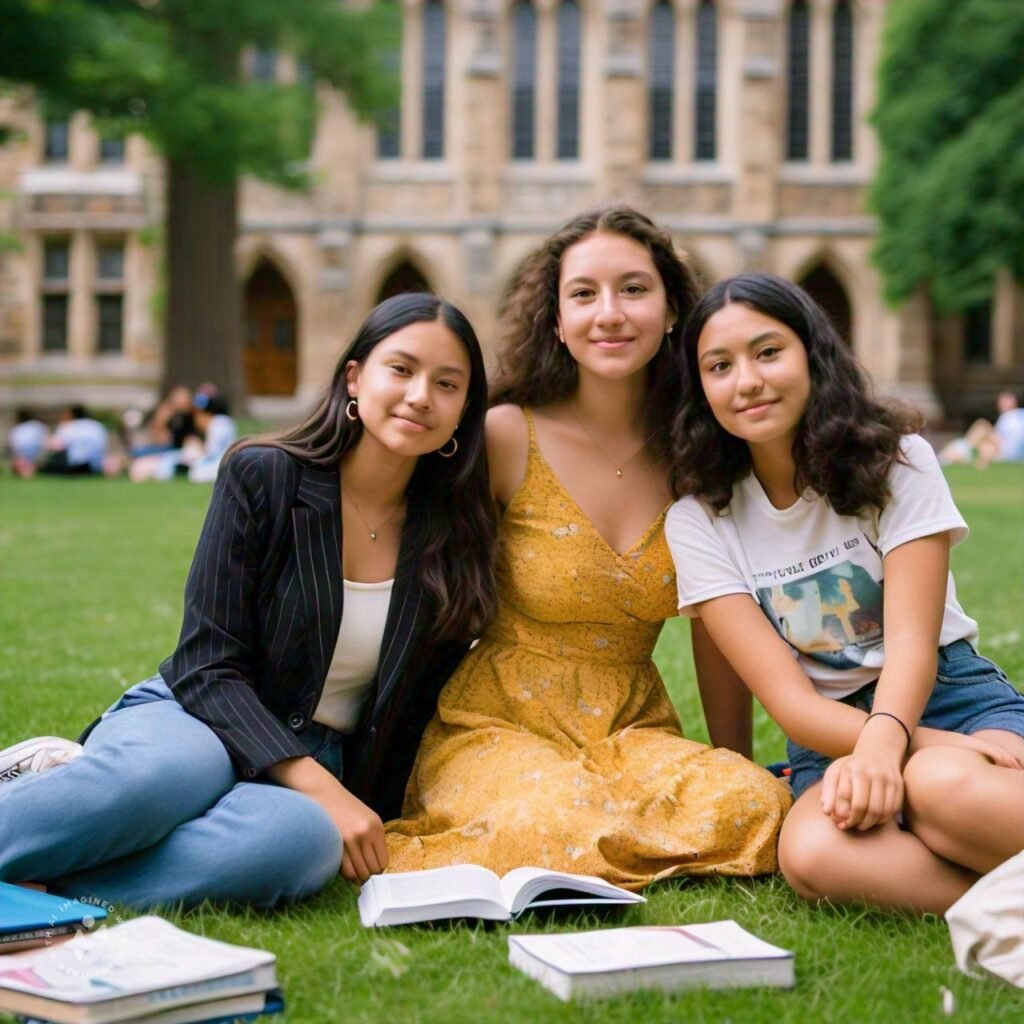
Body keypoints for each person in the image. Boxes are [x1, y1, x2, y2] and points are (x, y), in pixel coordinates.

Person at [0, 293, 497, 909]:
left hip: (315, 762)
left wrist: (352, 799)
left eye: (447, 384)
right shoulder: (264, 475)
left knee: (297, 845)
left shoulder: (457, 533)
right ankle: (49, 810)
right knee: (167, 778)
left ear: (464, 411)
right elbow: (207, 662)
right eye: (401, 369)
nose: (421, 395)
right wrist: (318, 785)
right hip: (201, 716)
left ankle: (51, 878)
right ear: (354, 376)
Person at [386, 207, 790, 887]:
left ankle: (619, 836)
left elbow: (717, 629)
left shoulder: (699, 455)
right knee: (548, 817)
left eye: (634, 289)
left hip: (633, 729)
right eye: (584, 294)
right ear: (556, 322)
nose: (609, 313)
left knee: (751, 801)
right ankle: (611, 837)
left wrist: (736, 759)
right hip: (498, 722)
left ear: (670, 312)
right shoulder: (508, 437)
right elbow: (420, 589)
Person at [666, 272, 1024, 914]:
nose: (746, 380)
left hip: (950, 700)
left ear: (812, 352)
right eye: (719, 366)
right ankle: (991, 899)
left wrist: (904, 747)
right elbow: (789, 701)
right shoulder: (698, 519)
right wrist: (886, 753)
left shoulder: (898, 460)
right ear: (699, 390)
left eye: (768, 352)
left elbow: (912, 646)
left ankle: (946, 823)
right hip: (828, 733)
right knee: (812, 853)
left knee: (942, 788)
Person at [35, 405, 108, 476]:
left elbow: (56, 445)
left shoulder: (68, 425)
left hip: (75, 466)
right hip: (95, 466)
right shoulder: (98, 426)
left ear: (72, 415)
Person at [8, 408, 49, 478]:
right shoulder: (37, 424)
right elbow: (45, 436)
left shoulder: (17, 428)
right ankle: (28, 470)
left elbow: (13, 443)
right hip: (35, 448)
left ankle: (26, 470)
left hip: (23, 448)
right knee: (29, 460)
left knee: (24, 460)